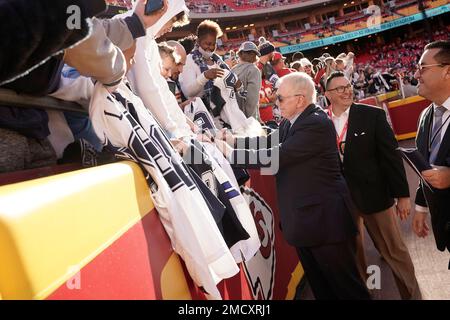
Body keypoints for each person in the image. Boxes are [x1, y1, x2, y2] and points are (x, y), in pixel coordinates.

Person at [214, 72, 371, 300]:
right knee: (324, 290)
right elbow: (268, 141)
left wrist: (230, 154)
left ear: (300, 99)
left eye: (280, 98)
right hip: (309, 224)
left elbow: (276, 157)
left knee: (347, 290)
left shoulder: (316, 123)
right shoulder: (294, 121)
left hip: (325, 224)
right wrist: (233, 140)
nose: (275, 103)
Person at [324, 71, 422, 300]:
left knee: (393, 250)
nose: (347, 90)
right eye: (340, 88)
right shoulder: (321, 122)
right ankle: (366, 294)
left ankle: (412, 295)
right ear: (327, 95)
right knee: (354, 254)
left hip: (376, 195)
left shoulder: (372, 115)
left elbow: (391, 157)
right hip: (342, 201)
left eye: (348, 85)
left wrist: (402, 196)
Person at [411, 40, 450, 255]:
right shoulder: (426, 115)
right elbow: (425, 166)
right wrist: (421, 207)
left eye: (423, 68)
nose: (417, 75)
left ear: (447, 72)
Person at [232, 41, 262, 119]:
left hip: (234, 116)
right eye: (248, 52)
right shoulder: (254, 70)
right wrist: (250, 119)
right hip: (248, 117)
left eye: (252, 53)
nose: (251, 55)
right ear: (241, 54)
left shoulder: (233, 69)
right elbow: (252, 98)